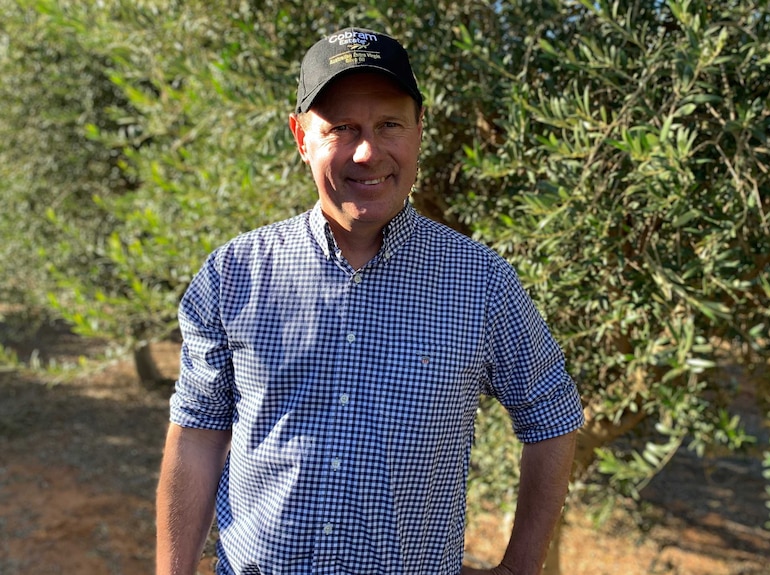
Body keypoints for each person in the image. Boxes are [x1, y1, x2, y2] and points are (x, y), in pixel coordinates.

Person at [156, 27, 584, 575]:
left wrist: (520, 567)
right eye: (342, 128)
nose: (367, 152)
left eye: (389, 126)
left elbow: (551, 416)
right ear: (301, 137)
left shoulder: (482, 283)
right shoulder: (234, 273)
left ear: (419, 133)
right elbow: (197, 431)